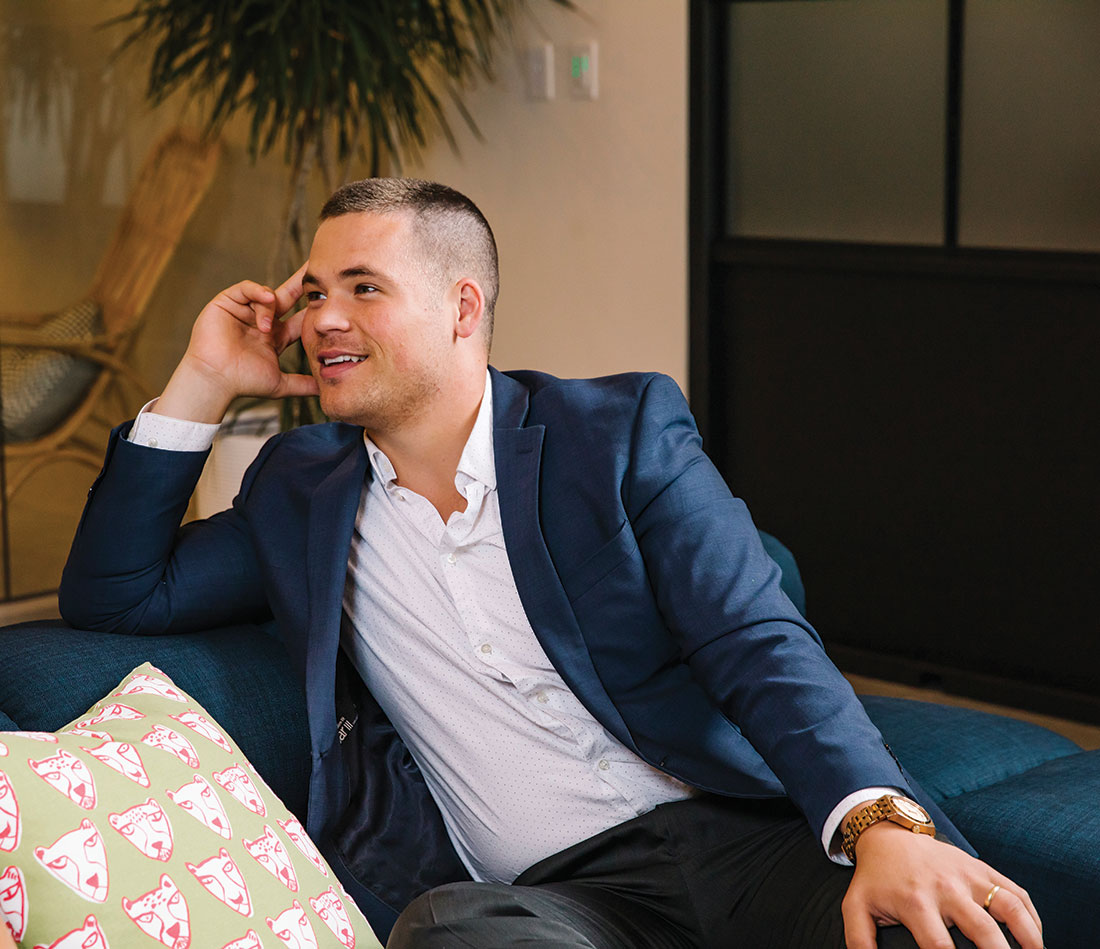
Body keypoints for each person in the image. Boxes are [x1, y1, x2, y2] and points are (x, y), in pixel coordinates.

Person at [59, 179, 1042, 949]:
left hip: (746, 839)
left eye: (362, 287)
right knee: (452, 934)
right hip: (553, 905)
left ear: (460, 307)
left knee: (937, 923)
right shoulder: (298, 491)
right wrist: (201, 381)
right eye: (311, 291)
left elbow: (753, 638)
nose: (319, 317)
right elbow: (116, 591)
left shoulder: (613, 436)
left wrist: (878, 824)